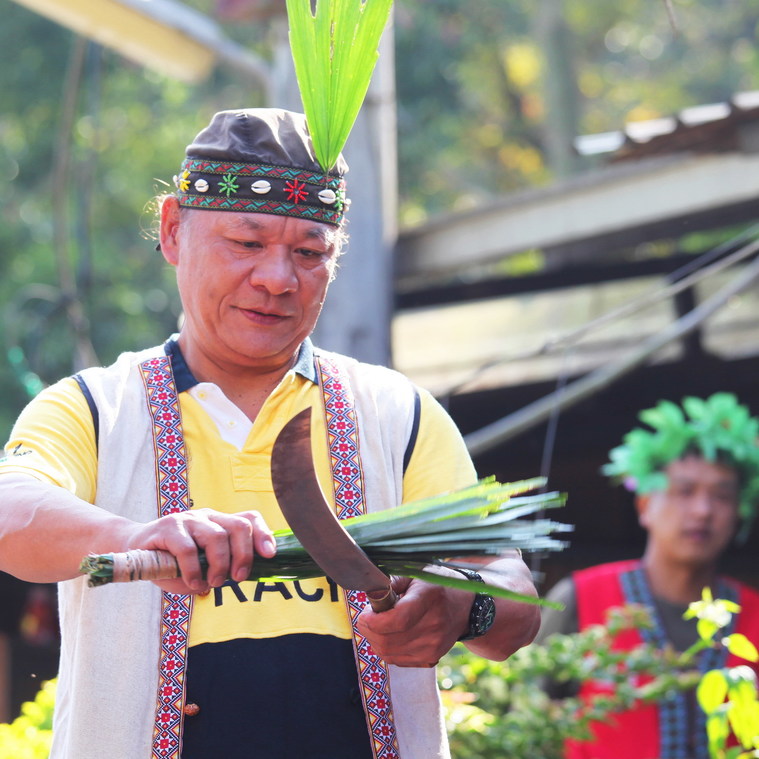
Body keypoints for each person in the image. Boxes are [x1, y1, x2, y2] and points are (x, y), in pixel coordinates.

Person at [0, 108, 540, 759]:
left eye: (309, 252)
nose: (277, 279)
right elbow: (10, 512)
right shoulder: (93, 409)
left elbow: (511, 590)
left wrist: (462, 606)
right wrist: (132, 536)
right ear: (173, 230)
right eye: (247, 243)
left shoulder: (397, 414)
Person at [537, 392, 759, 759]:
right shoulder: (582, 597)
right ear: (644, 505)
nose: (703, 511)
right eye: (684, 491)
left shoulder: (755, 615)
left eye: (721, 496)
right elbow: (525, 723)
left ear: (739, 511)